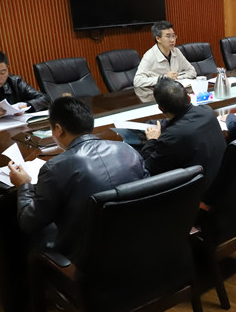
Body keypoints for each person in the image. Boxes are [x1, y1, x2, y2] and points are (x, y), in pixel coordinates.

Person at [8, 97, 148, 262]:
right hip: (137, 244)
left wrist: (24, 185)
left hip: (88, 259)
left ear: (58, 129)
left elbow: (29, 222)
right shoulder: (128, 150)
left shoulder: (55, 167)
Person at [141, 77, 226, 190]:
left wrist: (152, 140)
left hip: (199, 194)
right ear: (189, 98)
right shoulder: (207, 111)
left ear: (161, 109)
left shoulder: (172, 136)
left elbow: (148, 167)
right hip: (224, 185)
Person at [134, 20, 197, 102]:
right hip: (158, 97)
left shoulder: (176, 51)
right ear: (158, 39)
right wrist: (164, 78)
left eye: (173, 36)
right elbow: (138, 81)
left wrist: (176, 77)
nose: (172, 40)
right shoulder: (149, 56)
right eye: (168, 36)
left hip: (176, 95)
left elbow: (192, 71)